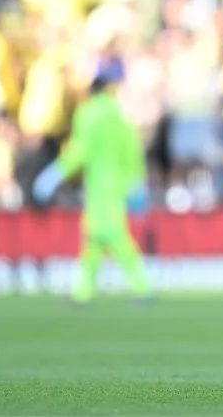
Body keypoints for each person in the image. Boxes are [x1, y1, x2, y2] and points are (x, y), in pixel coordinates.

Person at [32, 66, 152, 304]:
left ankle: (141, 287)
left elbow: (78, 152)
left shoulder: (87, 114)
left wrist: (53, 176)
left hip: (98, 185)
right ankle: (84, 292)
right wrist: (137, 182)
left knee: (113, 236)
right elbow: (133, 151)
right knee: (94, 239)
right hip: (118, 184)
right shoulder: (120, 115)